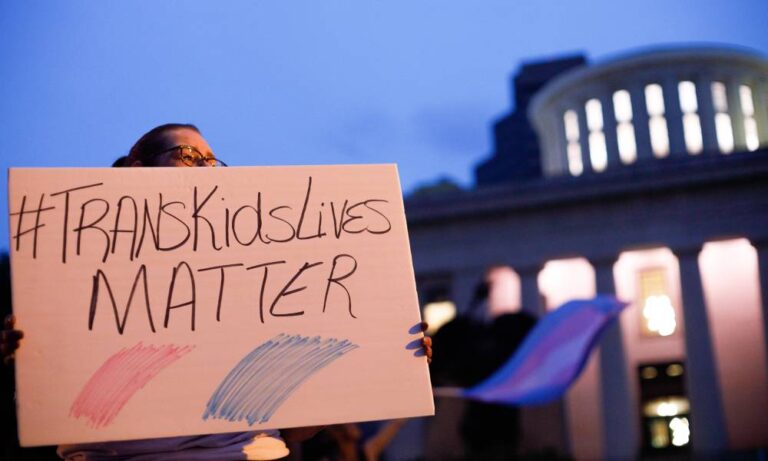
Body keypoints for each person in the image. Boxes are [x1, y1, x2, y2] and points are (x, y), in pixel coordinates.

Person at [1, 123, 432, 461]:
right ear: (136, 169)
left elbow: (297, 429)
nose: (206, 168)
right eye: (188, 155)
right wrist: (28, 360)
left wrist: (385, 362)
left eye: (213, 161)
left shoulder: (261, 268)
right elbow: (50, 403)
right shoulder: (73, 262)